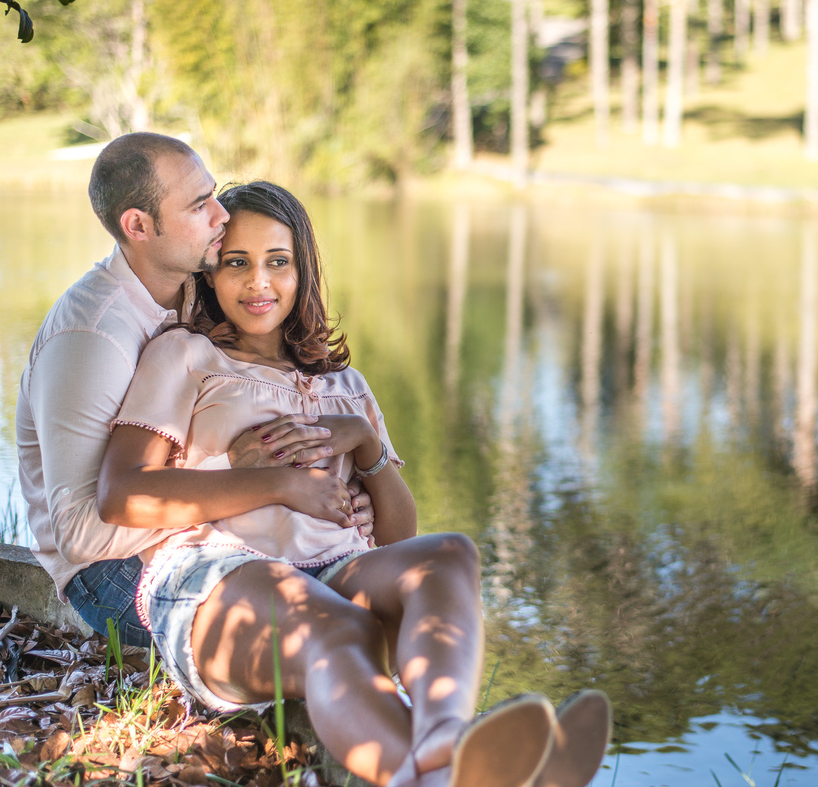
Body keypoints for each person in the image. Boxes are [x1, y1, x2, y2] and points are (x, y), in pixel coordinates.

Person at [94, 180, 611, 787]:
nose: (259, 283)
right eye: (237, 263)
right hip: (217, 578)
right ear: (210, 273)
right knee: (337, 626)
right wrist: (281, 483)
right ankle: (438, 777)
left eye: (278, 262)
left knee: (449, 554)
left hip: (335, 571)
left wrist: (363, 442)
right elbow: (121, 495)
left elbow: (396, 539)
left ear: (302, 270)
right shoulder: (185, 357)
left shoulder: (347, 386)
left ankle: (445, 738)